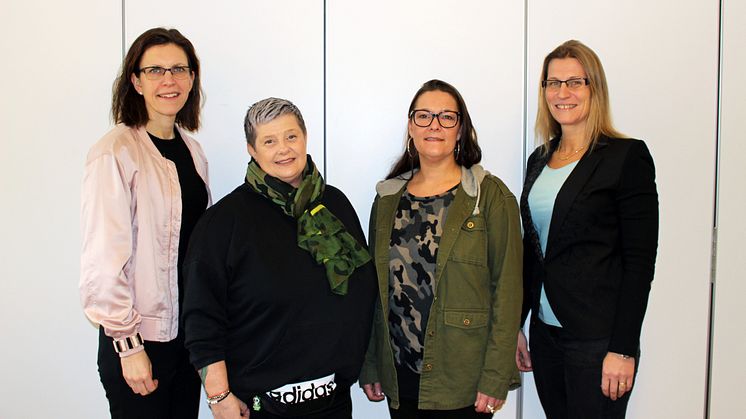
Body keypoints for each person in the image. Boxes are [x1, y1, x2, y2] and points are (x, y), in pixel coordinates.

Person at [182, 97, 377, 419]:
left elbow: (365, 292)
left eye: (291, 136)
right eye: (269, 141)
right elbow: (202, 317)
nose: (283, 149)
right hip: (263, 406)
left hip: (334, 401)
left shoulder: (335, 204)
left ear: (304, 138)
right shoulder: (223, 223)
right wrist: (219, 397)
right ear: (251, 150)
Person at [360, 79, 523, 418]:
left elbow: (507, 293)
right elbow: (375, 292)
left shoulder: (490, 197)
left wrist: (495, 378)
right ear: (411, 126)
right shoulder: (388, 198)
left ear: (461, 129)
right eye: (424, 116)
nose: (434, 125)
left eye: (447, 117)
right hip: (400, 376)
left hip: (461, 378)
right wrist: (372, 364)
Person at [515, 40, 659, 419]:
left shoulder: (626, 157)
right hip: (546, 334)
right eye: (552, 82)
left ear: (594, 88)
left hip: (598, 342)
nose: (562, 93)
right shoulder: (540, 160)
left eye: (575, 82)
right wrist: (518, 323)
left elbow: (640, 263)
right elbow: (533, 250)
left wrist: (623, 348)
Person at [80, 27, 209, 418]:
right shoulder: (115, 151)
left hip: (186, 338)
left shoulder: (194, 151)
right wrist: (129, 346)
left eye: (179, 69)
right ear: (135, 81)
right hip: (140, 341)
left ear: (191, 78)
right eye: (154, 70)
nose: (168, 80)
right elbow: (104, 262)